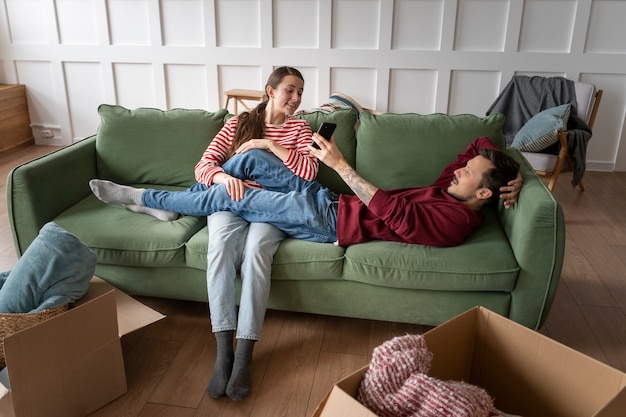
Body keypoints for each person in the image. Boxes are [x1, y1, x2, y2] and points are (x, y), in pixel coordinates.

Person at [112, 66, 316, 401]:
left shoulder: (299, 129)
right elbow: (204, 166)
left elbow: (307, 174)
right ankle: (224, 352)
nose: (295, 99)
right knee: (219, 249)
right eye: (290, 90)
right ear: (270, 91)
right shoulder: (237, 124)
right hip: (230, 201)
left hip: (271, 208)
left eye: (300, 93)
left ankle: (245, 353)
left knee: (256, 255)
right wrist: (223, 178)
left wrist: (265, 145)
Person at [90, 134, 520, 249]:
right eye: (463, 169)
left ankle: (143, 198)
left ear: (483, 195)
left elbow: (396, 215)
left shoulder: (454, 221)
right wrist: (511, 174)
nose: (458, 171)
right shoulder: (455, 190)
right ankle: (181, 203)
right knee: (252, 161)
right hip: (332, 203)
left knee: (229, 195)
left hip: (330, 222)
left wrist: (341, 166)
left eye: (468, 174)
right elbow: (478, 142)